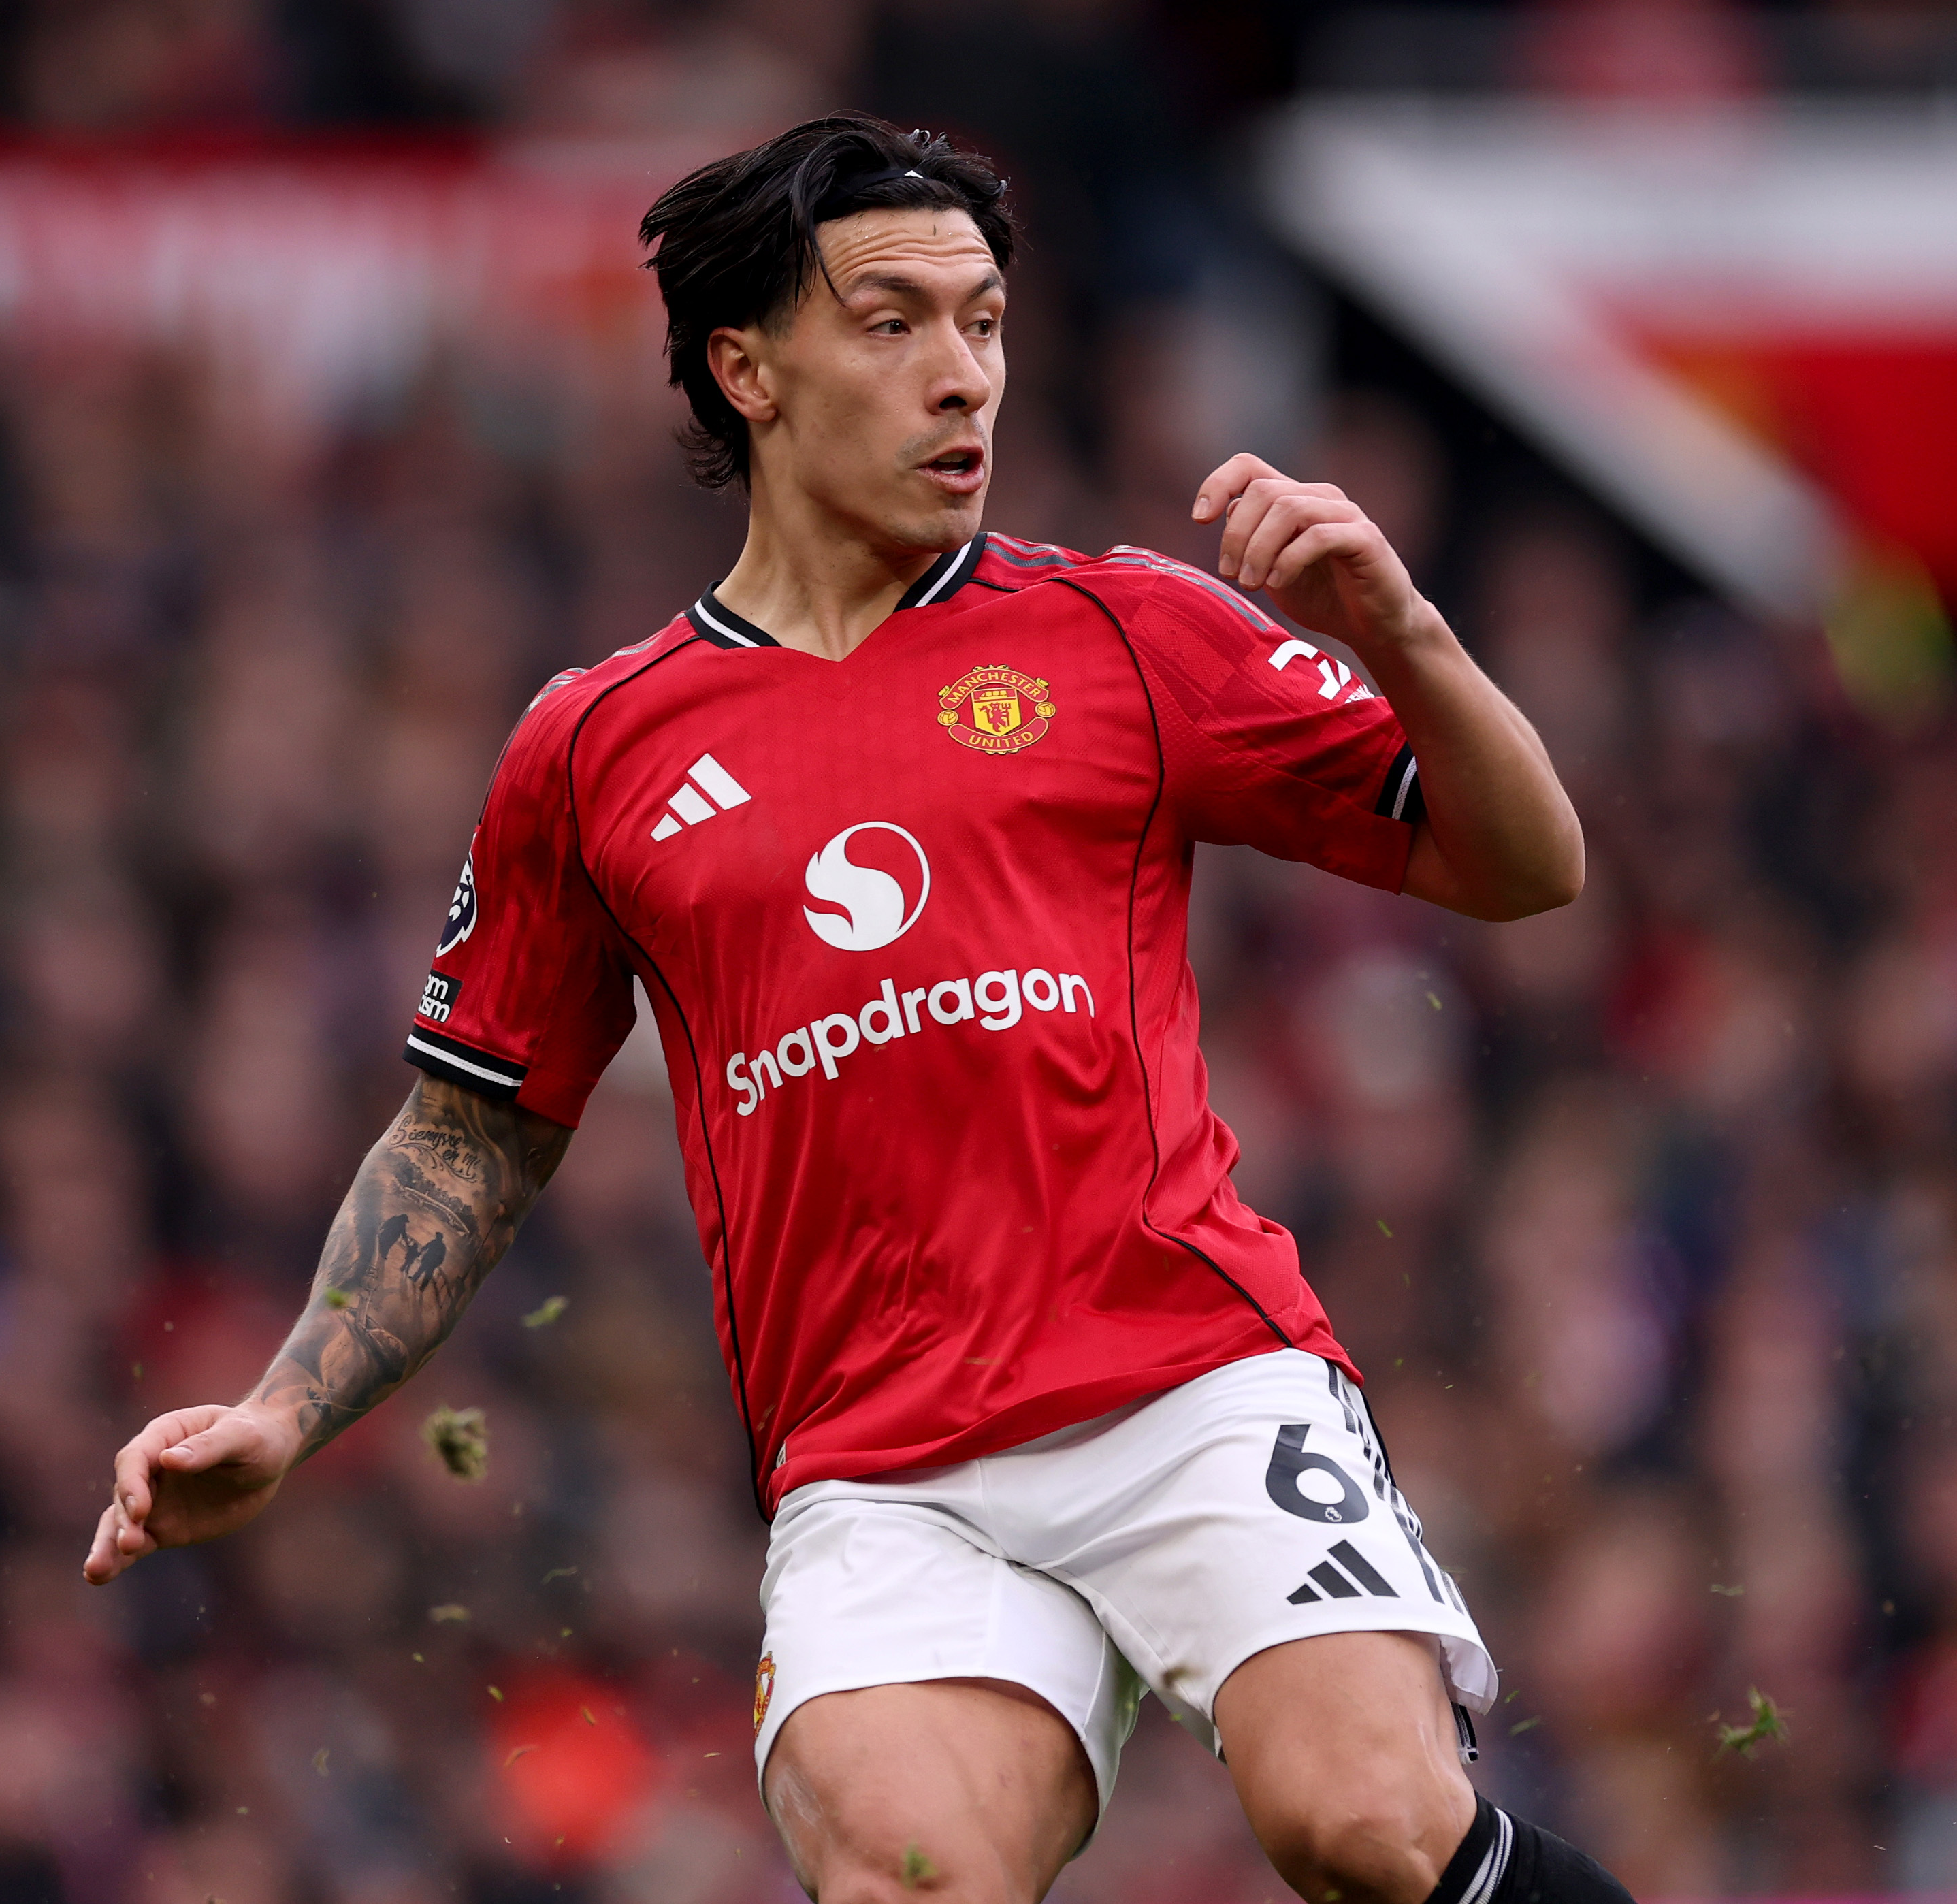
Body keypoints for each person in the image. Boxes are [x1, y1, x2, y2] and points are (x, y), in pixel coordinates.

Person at [85, 114, 1618, 1904]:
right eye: (893, 324)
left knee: (1370, 1827)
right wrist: (283, 1410)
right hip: (885, 1470)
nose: (961, 375)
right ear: (747, 369)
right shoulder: (595, 748)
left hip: (1189, 1387)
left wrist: (1406, 634)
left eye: (982, 324)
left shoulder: (1125, 632)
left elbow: (1526, 866)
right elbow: (469, 1129)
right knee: (908, 1877)